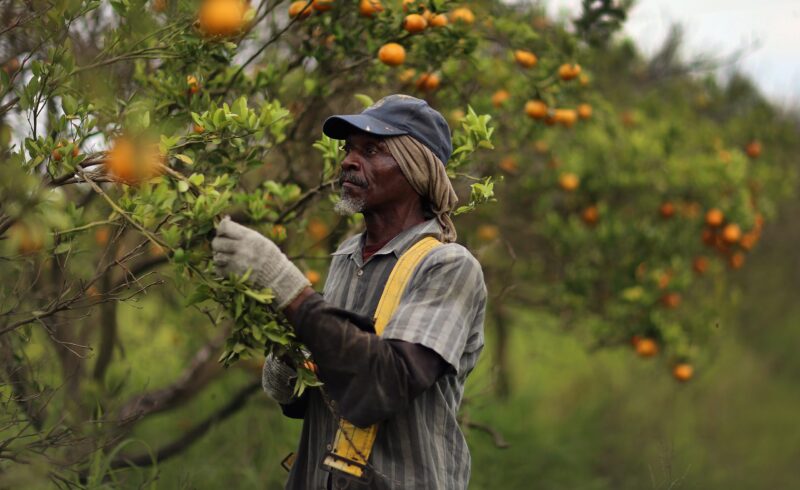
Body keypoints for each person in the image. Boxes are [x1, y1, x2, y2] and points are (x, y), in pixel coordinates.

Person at [211, 94, 487, 489]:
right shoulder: (345, 258)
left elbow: (387, 382)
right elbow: (330, 388)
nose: (347, 162)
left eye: (372, 150)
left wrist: (287, 288)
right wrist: (289, 363)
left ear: (416, 169)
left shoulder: (448, 267)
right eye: (348, 149)